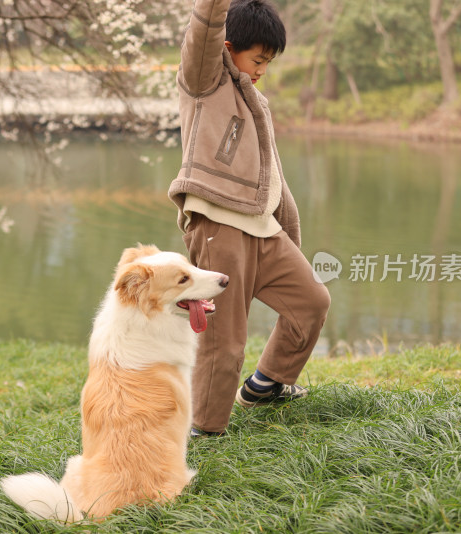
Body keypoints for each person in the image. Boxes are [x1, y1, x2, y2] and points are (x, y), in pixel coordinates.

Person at [168, 0, 331, 437]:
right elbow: (203, 30)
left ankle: (266, 384)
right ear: (227, 47)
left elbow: (273, 177)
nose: (262, 69)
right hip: (220, 229)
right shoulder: (203, 83)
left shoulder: (256, 101)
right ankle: (205, 430)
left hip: (264, 230)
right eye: (257, 59)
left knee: (312, 303)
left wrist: (289, 234)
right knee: (225, 342)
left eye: (268, 62)